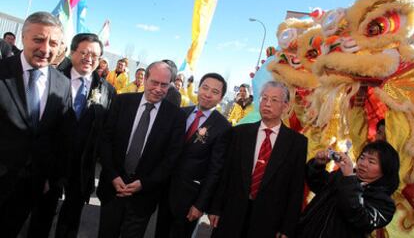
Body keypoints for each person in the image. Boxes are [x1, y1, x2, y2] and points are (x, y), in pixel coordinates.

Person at [0, 12, 75, 237]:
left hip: (29, 188)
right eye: (38, 40)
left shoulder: (62, 84)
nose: (46, 49)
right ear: (23, 38)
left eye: (53, 42)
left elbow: (62, 137)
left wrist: (51, 179)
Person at [97, 61, 186, 238]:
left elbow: (171, 158)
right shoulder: (122, 101)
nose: (158, 89)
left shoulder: (176, 116)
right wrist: (113, 175)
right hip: (113, 189)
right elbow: (105, 140)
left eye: (164, 85)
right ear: (145, 79)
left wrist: (145, 183)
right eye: (154, 82)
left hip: (144, 196)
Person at [209, 81, 308, 238]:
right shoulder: (240, 133)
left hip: (268, 220)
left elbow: (295, 189)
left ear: (286, 106)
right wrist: (216, 208)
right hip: (232, 213)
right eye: (264, 98)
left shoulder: (297, 143)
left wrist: (287, 228)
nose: (267, 104)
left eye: (274, 100)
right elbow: (226, 173)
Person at [52, 33, 115, 237]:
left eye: (95, 55)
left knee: (71, 216)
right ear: (72, 52)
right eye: (84, 52)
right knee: (41, 212)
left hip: (83, 165)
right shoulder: (53, 77)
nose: (89, 58)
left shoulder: (107, 90)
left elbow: (107, 130)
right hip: (51, 162)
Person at [155, 73, 232, 238]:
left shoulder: (223, 127)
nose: (207, 94)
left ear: (221, 98)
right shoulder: (181, 113)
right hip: (164, 189)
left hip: (189, 199)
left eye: (214, 91)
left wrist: (200, 204)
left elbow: (215, 170)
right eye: (205, 87)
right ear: (198, 88)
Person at [297, 140, 399, 238]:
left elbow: (358, 215)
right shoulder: (342, 177)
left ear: (385, 170)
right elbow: (318, 184)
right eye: (362, 157)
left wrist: (349, 178)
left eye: (371, 161)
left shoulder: (385, 204)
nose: (363, 163)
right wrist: (317, 165)